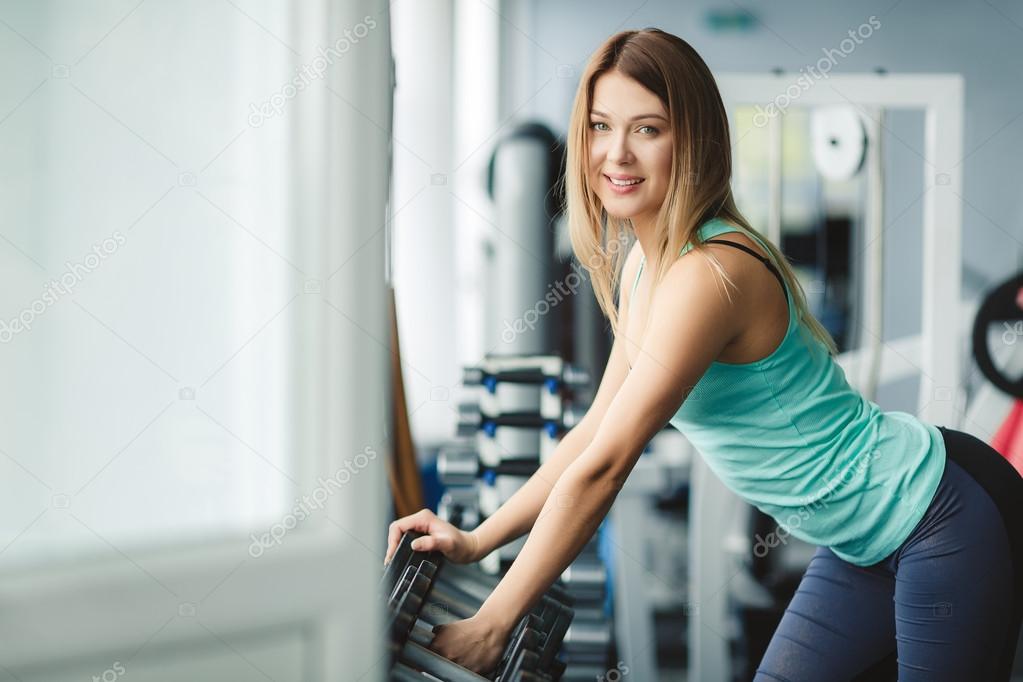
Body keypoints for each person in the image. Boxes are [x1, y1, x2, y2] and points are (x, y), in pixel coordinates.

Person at [383, 28, 1023, 680]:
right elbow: (591, 435)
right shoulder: (641, 269)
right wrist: (477, 539)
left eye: (647, 129)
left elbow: (607, 466)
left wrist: (495, 622)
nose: (616, 152)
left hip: (937, 515)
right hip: (858, 541)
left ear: (691, 142)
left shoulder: (706, 276)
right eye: (601, 125)